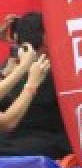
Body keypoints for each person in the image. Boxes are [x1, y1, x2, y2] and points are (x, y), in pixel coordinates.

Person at [0, 13, 68, 159]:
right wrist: (30, 83)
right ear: (46, 38)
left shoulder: (8, 66)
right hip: (37, 146)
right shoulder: (60, 73)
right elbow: (6, 122)